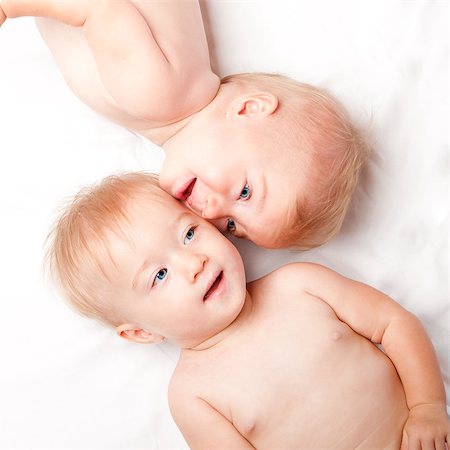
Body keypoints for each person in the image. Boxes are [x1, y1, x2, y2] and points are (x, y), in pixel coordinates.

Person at [46, 172, 449, 449]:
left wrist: (428, 407)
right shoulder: (194, 396)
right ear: (140, 332)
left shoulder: (302, 285)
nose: (194, 263)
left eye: (189, 233)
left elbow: (395, 324)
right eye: (160, 275)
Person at [0, 0, 370, 249]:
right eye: (244, 193)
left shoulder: (176, 94)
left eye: (231, 227)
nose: (211, 212)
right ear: (250, 109)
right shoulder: (158, 96)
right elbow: (98, 8)